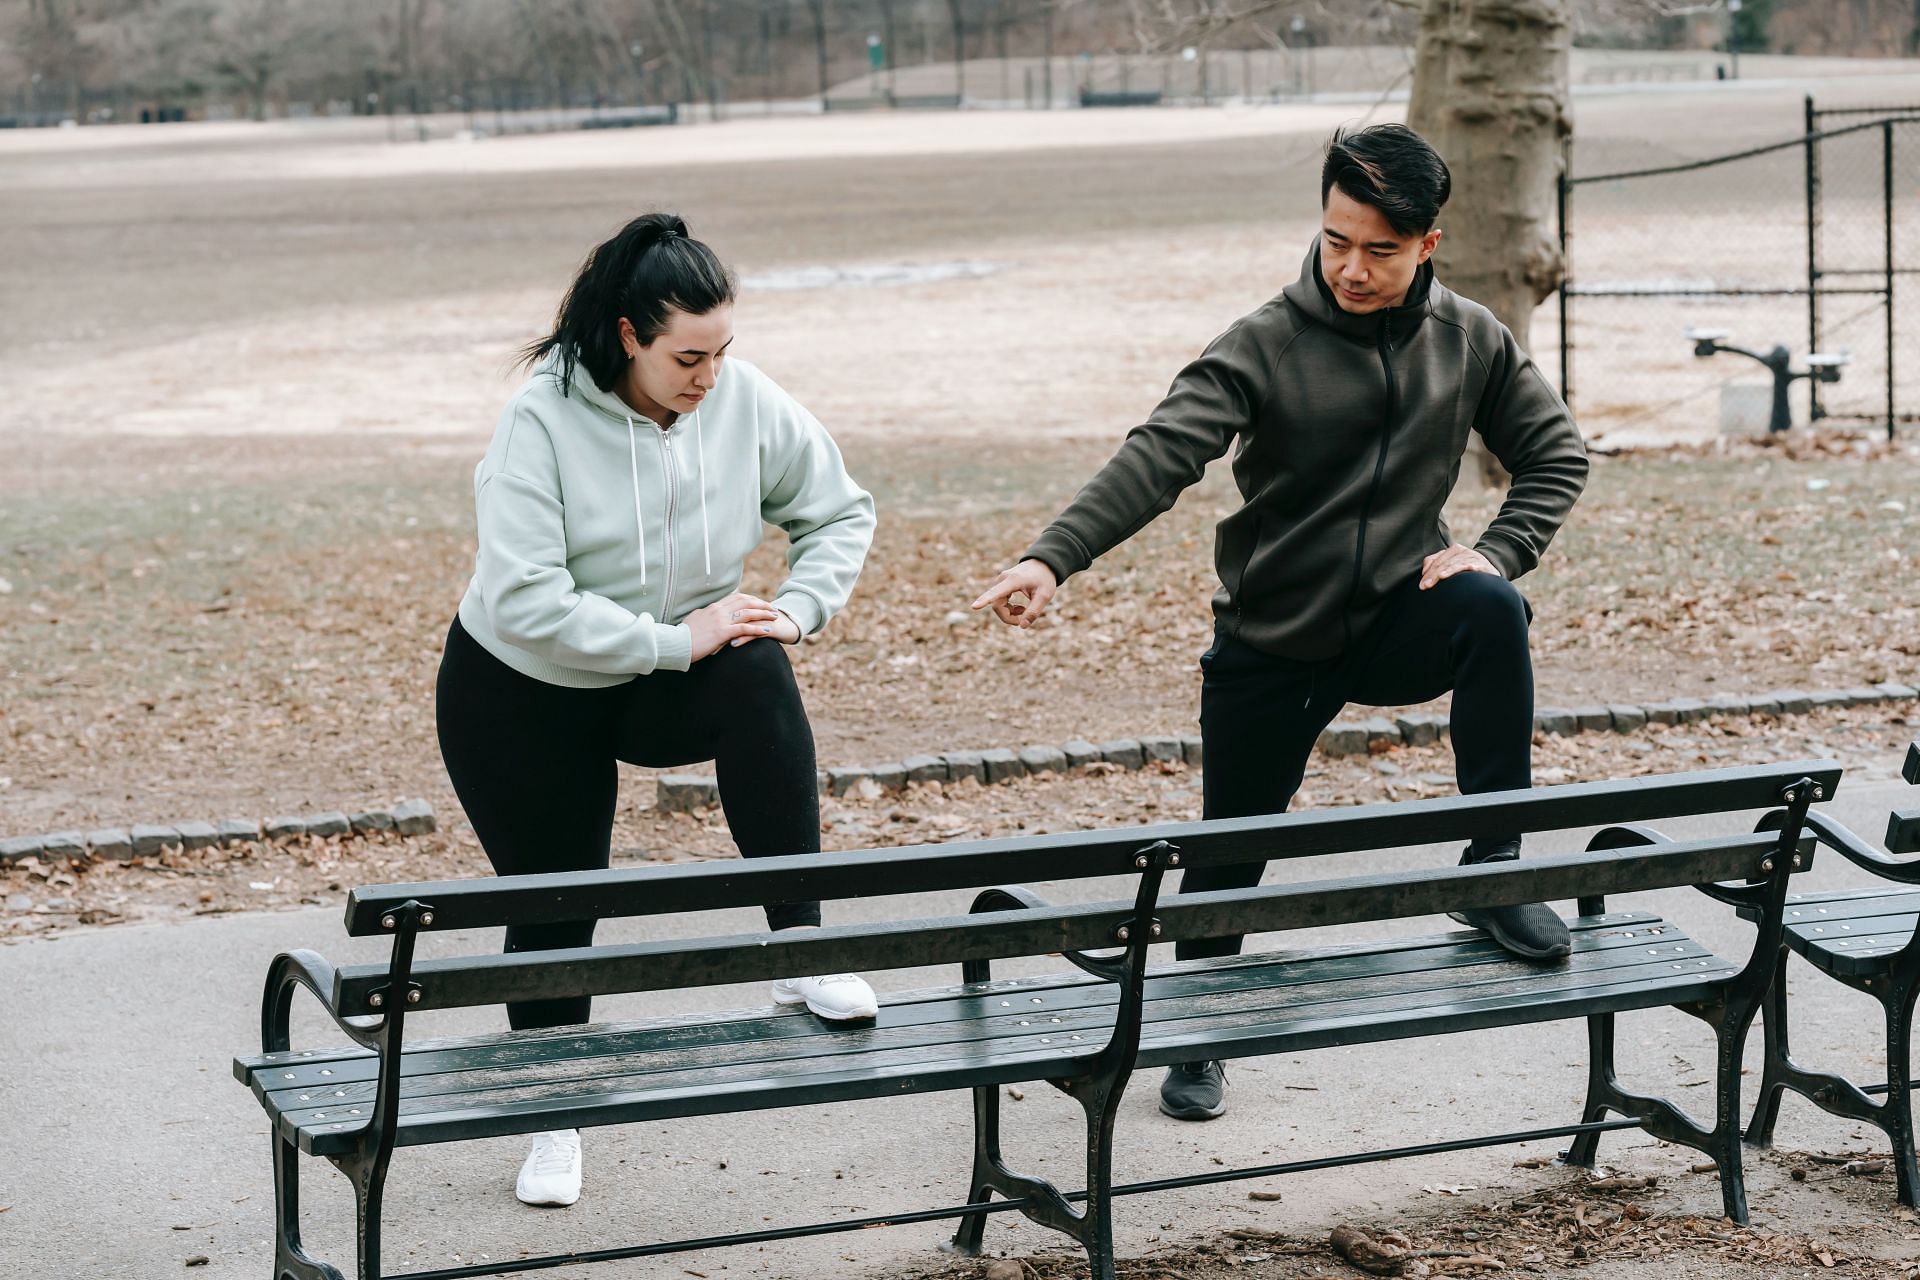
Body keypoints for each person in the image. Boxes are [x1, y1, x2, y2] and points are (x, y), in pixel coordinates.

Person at [971, 125, 1588, 1123]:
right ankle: (1201, 1030)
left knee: (1490, 607)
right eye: (1337, 238)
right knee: (1231, 854)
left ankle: (1495, 868)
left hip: (1396, 614)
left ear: (1428, 244)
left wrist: (1500, 546)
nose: (1350, 266)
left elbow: (1556, 452)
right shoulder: (1267, 340)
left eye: (1379, 250)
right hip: (1273, 638)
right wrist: (1053, 555)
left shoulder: (1470, 337)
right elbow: (1160, 453)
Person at [435, 212, 878, 1207]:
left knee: (759, 673)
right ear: (629, 335)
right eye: (688, 355)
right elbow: (525, 599)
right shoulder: (538, 421)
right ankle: (553, 1114)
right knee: (558, 901)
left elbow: (840, 508)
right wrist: (677, 640)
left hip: (659, 670)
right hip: (521, 692)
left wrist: (791, 613)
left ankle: (801, 949)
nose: (709, 377)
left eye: (724, 353)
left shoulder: (741, 400)